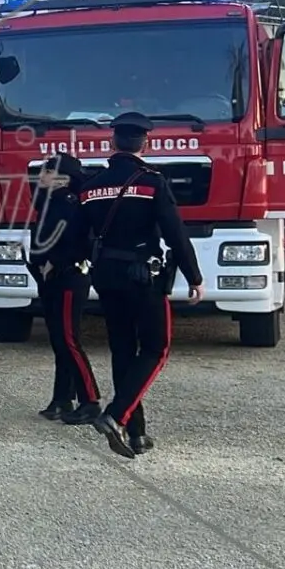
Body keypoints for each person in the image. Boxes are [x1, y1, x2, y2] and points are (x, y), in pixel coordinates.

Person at [78, 112, 204, 459]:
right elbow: (175, 234)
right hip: (143, 277)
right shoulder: (152, 182)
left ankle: (136, 434)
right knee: (155, 349)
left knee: (122, 350)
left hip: (106, 277)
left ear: (112, 142)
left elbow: (80, 235)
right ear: (145, 144)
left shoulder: (90, 187)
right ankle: (116, 416)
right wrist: (194, 277)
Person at [27, 153, 103, 425]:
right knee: (59, 341)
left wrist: (54, 261)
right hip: (51, 279)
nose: (41, 175)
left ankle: (90, 401)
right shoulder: (50, 201)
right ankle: (62, 399)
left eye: (48, 171)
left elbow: (77, 242)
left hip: (69, 277)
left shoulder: (71, 204)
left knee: (70, 341)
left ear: (63, 178)